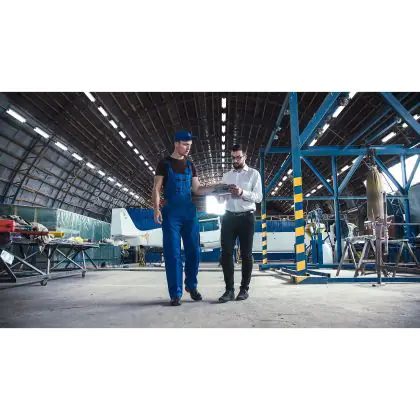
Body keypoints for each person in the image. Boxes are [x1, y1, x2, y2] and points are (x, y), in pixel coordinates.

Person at [152, 130, 217, 306]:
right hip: (171, 214)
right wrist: (156, 209)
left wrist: (216, 187)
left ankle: (191, 285)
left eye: (190, 145)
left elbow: (197, 189)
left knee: (194, 251)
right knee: (173, 254)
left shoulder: (190, 165)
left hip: (189, 213)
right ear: (176, 144)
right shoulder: (164, 163)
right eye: (185, 145)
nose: (188, 148)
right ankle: (175, 294)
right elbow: (156, 188)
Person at [218, 144, 263, 303]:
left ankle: (244, 289)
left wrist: (242, 192)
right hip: (228, 217)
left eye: (239, 157)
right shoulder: (226, 176)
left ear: (245, 156)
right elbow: (222, 198)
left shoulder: (253, 174)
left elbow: (258, 197)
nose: (236, 160)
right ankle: (229, 290)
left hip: (246, 218)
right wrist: (219, 196)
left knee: (246, 254)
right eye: (233, 158)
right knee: (226, 254)